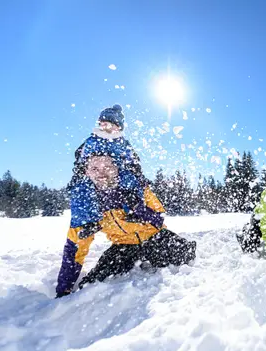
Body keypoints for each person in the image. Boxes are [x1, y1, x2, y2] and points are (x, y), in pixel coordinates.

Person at [56, 150, 196, 298]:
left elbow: (159, 218)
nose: (101, 174)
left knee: (185, 257)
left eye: (107, 167)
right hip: (123, 247)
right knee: (92, 284)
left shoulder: (136, 187)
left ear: (117, 167)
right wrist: (64, 288)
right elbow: (75, 248)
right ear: (86, 172)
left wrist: (139, 208)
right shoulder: (86, 204)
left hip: (155, 238)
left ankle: (152, 259)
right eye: (94, 169)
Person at [68, 104, 148, 231]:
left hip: (118, 171)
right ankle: (87, 222)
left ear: (118, 126)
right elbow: (80, 156)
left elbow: (133, 159)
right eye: (102, 124)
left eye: (109, 124)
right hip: (96, 172)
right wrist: (78, 172)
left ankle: (135, 212)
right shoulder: (92, 140)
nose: (105, 127)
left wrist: (137, 172)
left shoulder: (122, 143)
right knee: (81, 190)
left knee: (131, 184)